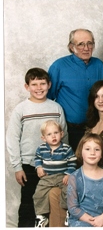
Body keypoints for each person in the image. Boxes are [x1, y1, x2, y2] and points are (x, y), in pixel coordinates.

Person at [5, 67, 68, 227]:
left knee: (52, 200)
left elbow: (64, 135)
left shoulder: (56, 108)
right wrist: (17, 166)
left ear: (49, 85)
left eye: (42, 83)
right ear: (27, 87)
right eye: (34, 84)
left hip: (54, 165)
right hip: (29, 164)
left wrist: (64, 162)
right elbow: (12, 138)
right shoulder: (21, 109)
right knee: (29, 202)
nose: (39, 88)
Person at [47, 28, 103, 153]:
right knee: (71, 167)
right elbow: (49, 97)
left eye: (90, 43)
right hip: (69, 129)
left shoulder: (99, 65)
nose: (86, 48)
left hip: (95, 127)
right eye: (81, 44)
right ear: (71, 46)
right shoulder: (59, 66)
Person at [67, 133, 103, 227]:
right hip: (81, 221)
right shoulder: (75, 177)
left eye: (97, 149)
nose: (92, 152)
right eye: (87, 149)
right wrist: (92, 222)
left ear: (101, 153)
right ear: (81, 152)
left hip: (102, 220)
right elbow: (73, 207)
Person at [33, 120, 77, 227]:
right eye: (49, 134)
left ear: (61, 134)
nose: (53, 136)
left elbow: (72, 162)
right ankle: (41, 216)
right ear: (44, 138)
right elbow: (37, 158)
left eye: (56, 133)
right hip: (47, 177)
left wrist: (68, 174)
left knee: (69, 190)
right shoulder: (41, 149)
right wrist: (38, 167)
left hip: (62, 176)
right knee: (38, 193)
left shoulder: (66, 149)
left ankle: (68, 211)